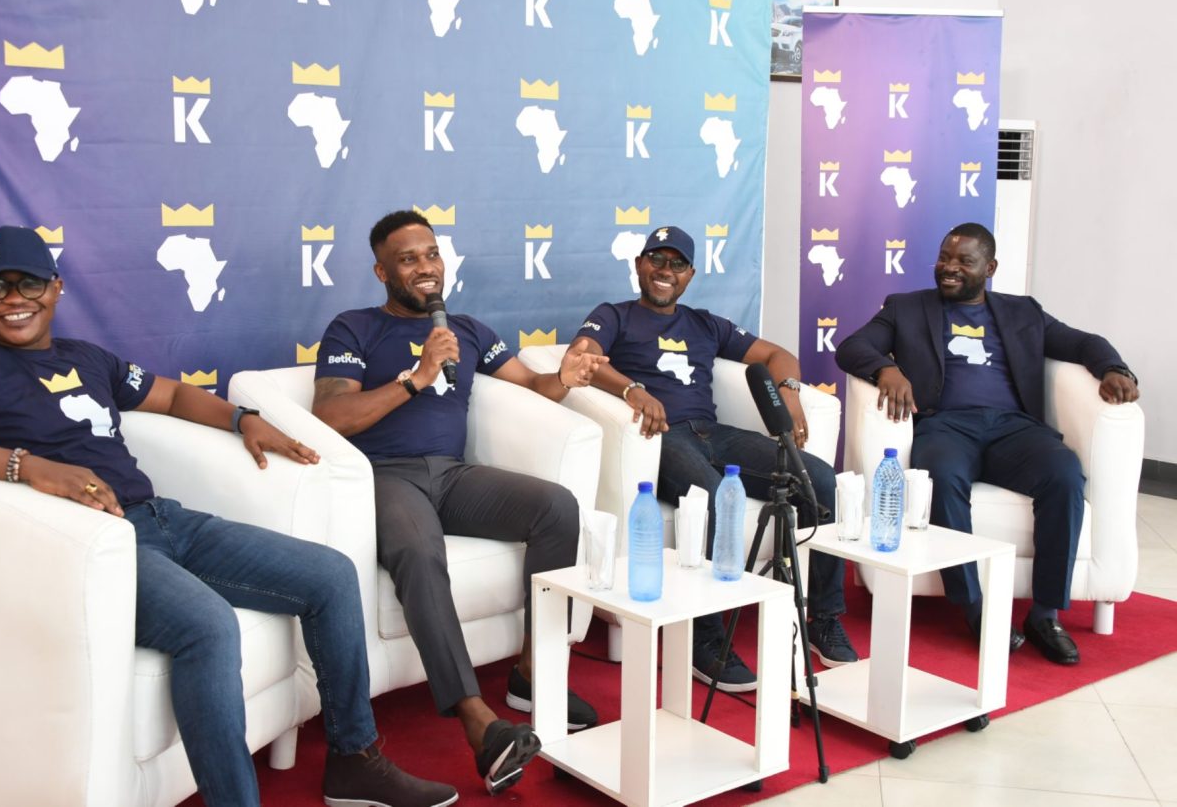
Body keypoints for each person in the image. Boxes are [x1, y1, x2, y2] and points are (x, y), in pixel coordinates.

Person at [0, 226, 457, 807]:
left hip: (162, 519)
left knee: (330, 575)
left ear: (55, 287)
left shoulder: (84, 357)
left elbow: (172, 395)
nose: (13, 299)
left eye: (28, 283)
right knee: (208, 625)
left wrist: (242, 419)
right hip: (93, 543)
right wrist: (27, 467)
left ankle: (353, 760)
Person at [311, 209, 607, 795]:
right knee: (420, 553)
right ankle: (477, 722)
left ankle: (531, 673)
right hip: (385, 476)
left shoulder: (469, 329)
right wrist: (416, 377)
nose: (425, 268)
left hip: (452, 475)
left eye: (431, 254)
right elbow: (332, 415)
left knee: (556, 507)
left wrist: (565, 378)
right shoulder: (354, 328)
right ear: (382, 272)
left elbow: (532, 386)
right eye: (408, 259)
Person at [835, 222, 1140, 665]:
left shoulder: (1023, 312)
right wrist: (887, 369)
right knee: (941, 477)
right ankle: (975, 608)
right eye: (944, 257)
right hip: (945, 426)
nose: (950, 267)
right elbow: (852, 346)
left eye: (964, 261)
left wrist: (1114, 368)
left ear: (990, 268)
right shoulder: (906, 308)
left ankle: (1045, 614)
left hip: (1014, 428)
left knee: (1064, 475)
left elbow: (1083, 343)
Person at [574, 225, 858, 694]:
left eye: (677, 264)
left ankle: (823, 617)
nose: (665, 271)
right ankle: (704, 637)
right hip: (660, 437)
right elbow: (581, 358)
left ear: (690, 275)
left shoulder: (705, 324)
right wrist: (631, 389)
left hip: (715, 433)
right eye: (656, 259)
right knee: (708, 495)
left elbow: (777, 355)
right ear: (639, 264)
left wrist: (788, 394)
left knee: (820, 481)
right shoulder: (614, 315)